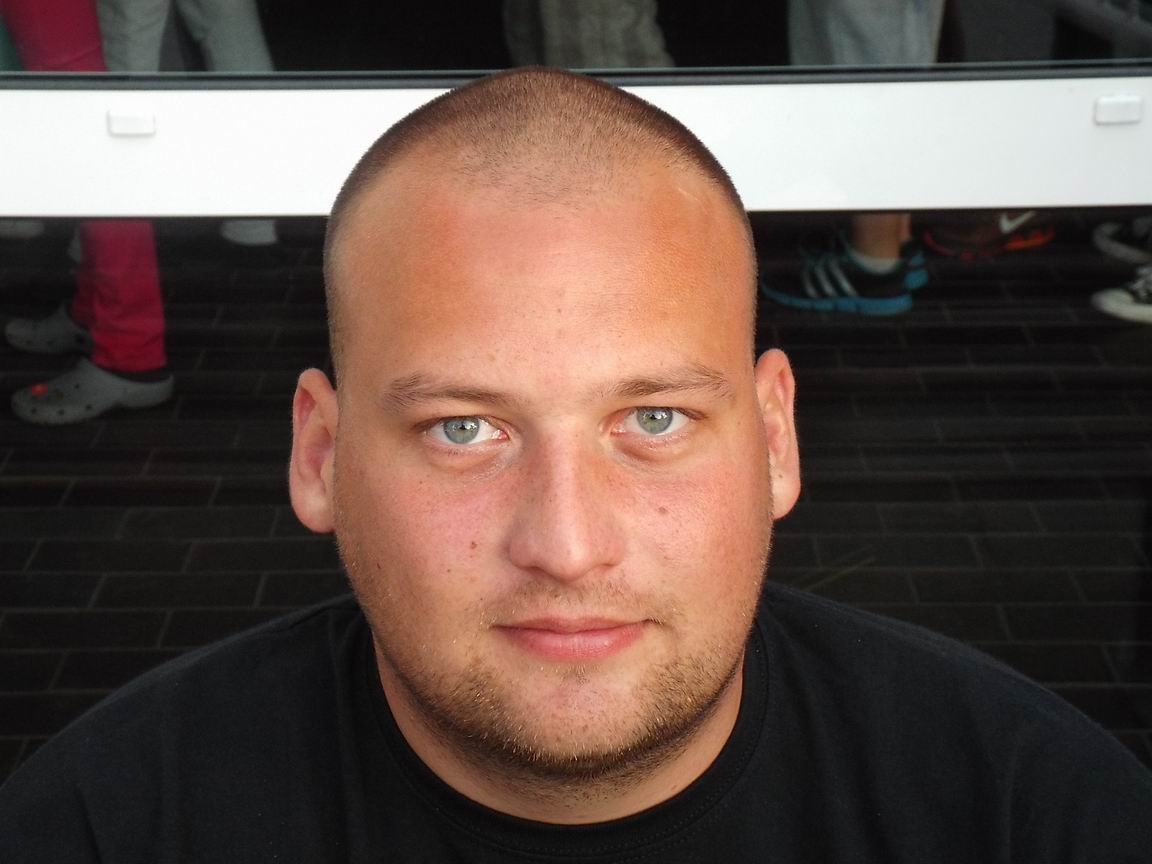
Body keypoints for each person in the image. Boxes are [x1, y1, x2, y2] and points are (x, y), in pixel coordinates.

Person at [1, 67, 1150, 860]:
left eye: (653, 418)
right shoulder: (99, 828)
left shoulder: (1040, 817)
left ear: (775, 439)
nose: (567, 545)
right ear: (322, 456)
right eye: (464, 429)